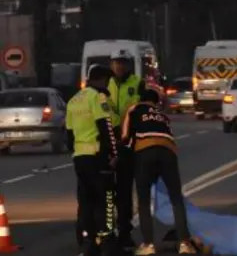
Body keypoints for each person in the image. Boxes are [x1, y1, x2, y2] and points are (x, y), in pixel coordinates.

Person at [122, 89, 196, 255]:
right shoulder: (162, 114)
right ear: (156, 102)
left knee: (143, 200)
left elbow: (126, 137)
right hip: (168, 152)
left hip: (145, 151)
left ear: (141, 99)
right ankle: (185, 244)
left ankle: (148, 245)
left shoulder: (134, 109)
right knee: (176, 198)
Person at [67, 64, 119, 256]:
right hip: (98, 157)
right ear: (101, 79)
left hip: (80, 159)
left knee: (85, 201)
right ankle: (107, 242)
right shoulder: (97, 97)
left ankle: (87, 241)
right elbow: (105, 128)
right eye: (107, 81)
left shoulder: (73, 101)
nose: (107, 85)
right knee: (105, 200)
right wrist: (113, 155)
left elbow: (69, 135)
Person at [107, 49, 146, 250]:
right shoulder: (107, 83)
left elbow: (144, 110)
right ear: (111, 64)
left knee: (124, 190)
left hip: (129, 141)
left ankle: (124, 232)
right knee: (107, 191)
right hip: (108, 140)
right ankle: (106, 232)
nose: (119, 66)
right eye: (116, 62)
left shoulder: (137, 83)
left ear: (128, 64)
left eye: (122, 62)